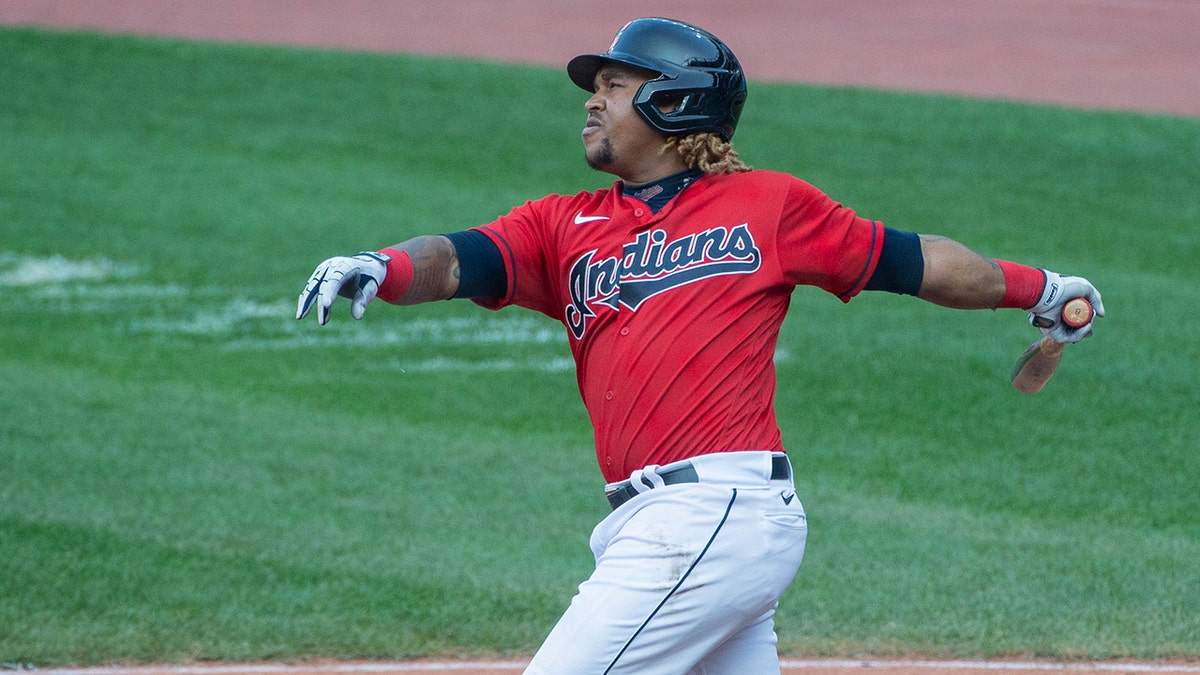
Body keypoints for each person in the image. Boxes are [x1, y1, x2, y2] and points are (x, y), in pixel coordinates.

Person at [296, 17, 1104, 675]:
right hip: (669, 521)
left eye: (615, 84)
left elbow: (917, 261)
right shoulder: (561, 226)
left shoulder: (769, 207)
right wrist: (383, 264)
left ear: (677, 101)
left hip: (713, 512)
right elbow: (456, 258)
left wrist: (1041, 286)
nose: (592, 100)